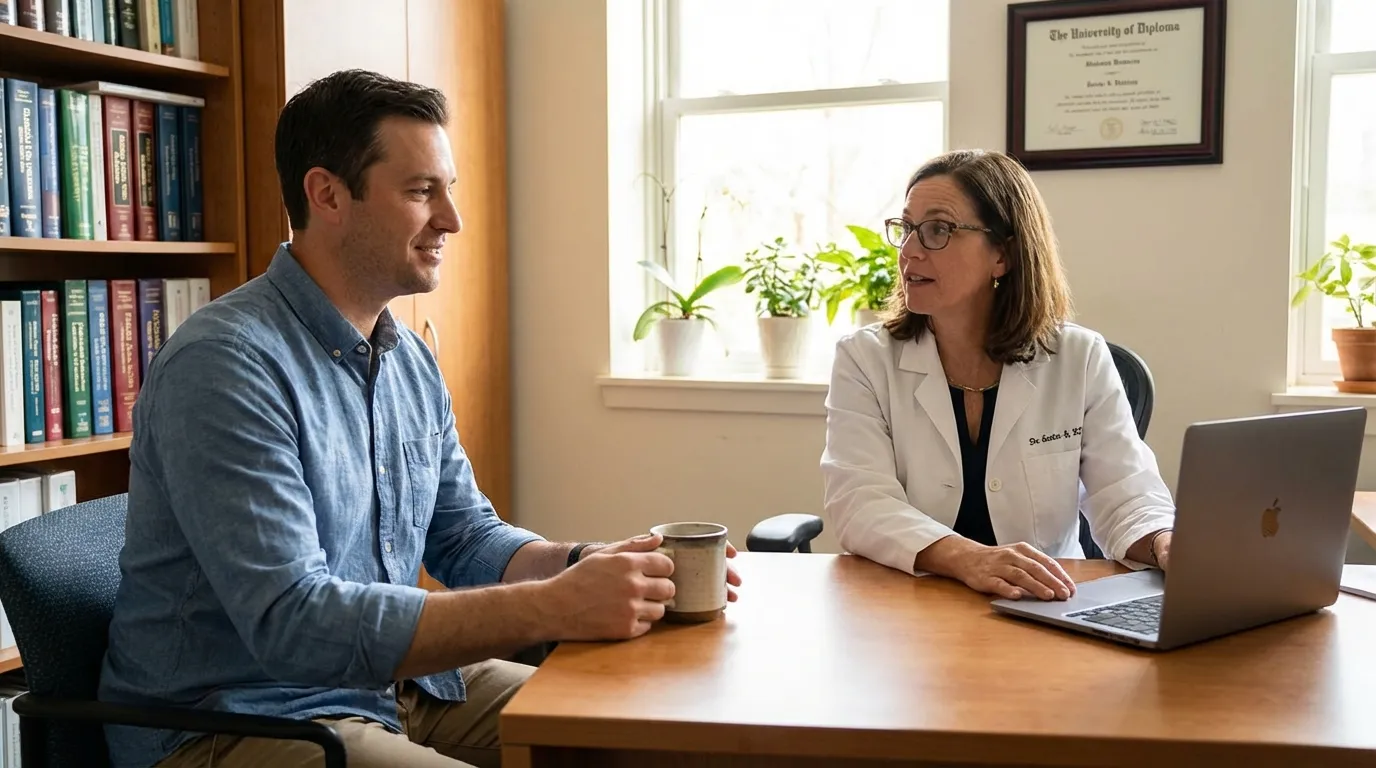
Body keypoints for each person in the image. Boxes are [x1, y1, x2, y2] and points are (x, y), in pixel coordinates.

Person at [97, 68, 739, 768]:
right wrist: (557, 606)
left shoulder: (407, 358)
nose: (452, 221)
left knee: (653, 735)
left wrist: (590, 563)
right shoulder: (225, 366)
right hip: (242, 719)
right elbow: (294, 624)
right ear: (327, 194)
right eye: (420, 191)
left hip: (394, 688)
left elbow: (464, 537)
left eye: (448, 190)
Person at [819, 148, 1174, 604]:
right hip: (907, 609)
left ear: (1002, 255)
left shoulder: (1078, 357)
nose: (909, 251)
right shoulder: (864, 358)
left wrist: (1164, 541)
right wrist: (970, 559)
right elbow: (859, 503)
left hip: (1047, 602)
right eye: (906, 229)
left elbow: (1126, 493)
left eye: (937, 230)